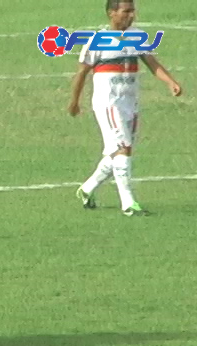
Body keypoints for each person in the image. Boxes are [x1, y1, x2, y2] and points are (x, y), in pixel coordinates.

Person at [68, 0, 182, 216]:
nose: (132, 15)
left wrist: (170, 82)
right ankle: (128, 203)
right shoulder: (97, 41)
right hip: (108, 103)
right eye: (126, 11)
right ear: (112, 13)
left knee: (118, 152)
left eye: (132, 11)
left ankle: (87, 189)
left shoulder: (137, 36)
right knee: (123, 149)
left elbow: (150, 61)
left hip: (130, 103)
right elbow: (81, 72)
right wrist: (74, 102)